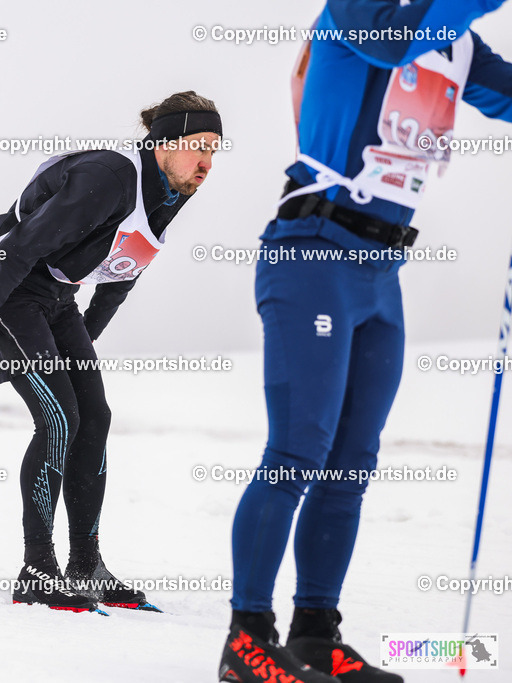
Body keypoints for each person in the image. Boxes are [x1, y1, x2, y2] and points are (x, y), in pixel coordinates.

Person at [219, 2, 512, 682]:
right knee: (296, 451)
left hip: (381, 273)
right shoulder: (358, 8)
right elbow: (392, 46)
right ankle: (246, 638)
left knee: (351, 464)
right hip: (313, 252)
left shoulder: (459, 44)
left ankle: (314, 634)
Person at [0, 91, 222, 613]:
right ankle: (37, 569)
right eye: (200, 146)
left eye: (214, 150)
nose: (207, 163)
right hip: (10, 290)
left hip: (58, 299)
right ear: (165, 143)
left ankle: (86, 566)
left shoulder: (170, 192)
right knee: (60, 418)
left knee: (94, 415)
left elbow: (121, 276)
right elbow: (17, 248)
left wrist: (79, 347)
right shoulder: (109, 178)